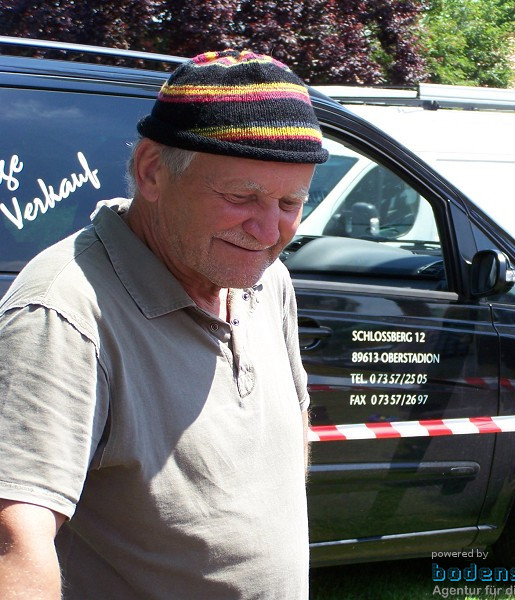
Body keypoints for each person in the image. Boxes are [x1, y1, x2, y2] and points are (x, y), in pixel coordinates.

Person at [0, 50, 328, 599]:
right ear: (152, 171)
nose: (268, 230)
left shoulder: (265, 280)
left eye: (290, 203)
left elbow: (290, 422)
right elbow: (14, 541)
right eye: (240, 197)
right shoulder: (64, 312)